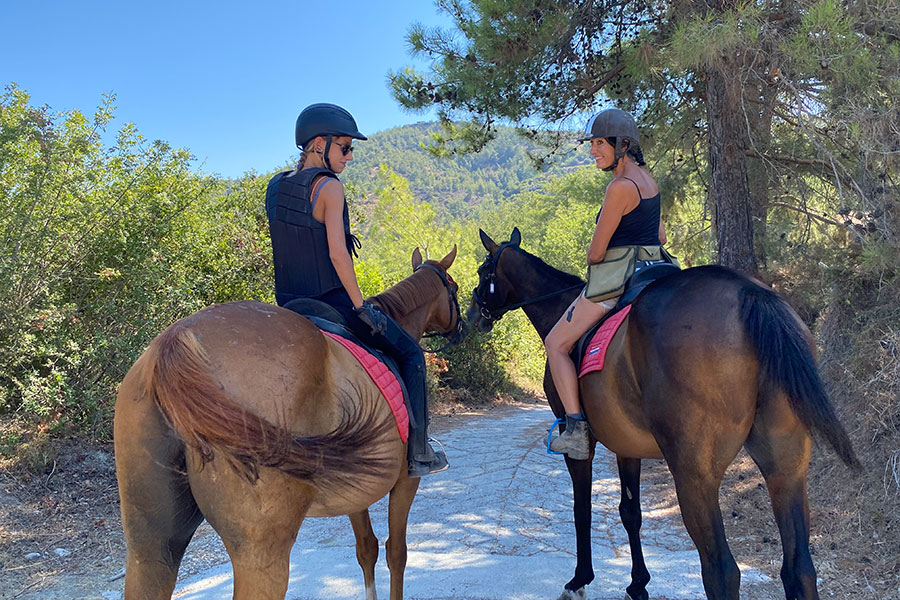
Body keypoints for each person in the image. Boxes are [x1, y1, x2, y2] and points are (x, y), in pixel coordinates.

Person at [265, 103, 448, 477]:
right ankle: (419, 452)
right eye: (345, 147)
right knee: (412, 354)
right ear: (319, 143)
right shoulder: (329, 187)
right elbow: (337, 253)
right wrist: (361, 305)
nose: (350, 156)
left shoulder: (274, 187)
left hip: (286, 305)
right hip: (329, 303)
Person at [545, 108, 667, 460]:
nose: (593, 150)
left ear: (622, 145)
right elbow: (659, 233)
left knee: (556, 344)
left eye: (600, 143)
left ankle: (576, 430)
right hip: (656, 265)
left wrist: (595, 254)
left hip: (618, 275)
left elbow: (596, 253)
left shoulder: (619, 187)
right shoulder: (649, 181)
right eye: (593, 143)